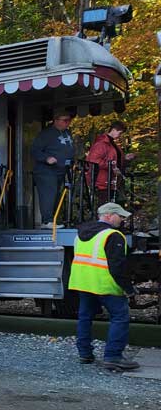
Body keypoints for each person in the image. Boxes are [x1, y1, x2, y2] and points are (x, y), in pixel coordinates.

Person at [69, 202, 140, 371]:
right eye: (119, 216)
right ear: (108, 215)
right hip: (105, 284)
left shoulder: (80, 234)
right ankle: (113, 357)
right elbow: (117, 267)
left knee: (85, 317)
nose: (122, 220)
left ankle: (85, 354)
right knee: (119, 317)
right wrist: (128, 289)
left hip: (83, 283)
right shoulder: (113, 235)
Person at [31, 111, 76, 228]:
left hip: (60, 170)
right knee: (48, 194)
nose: (67, 123)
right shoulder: (46, 134)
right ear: (56, 120)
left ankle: (53, 220)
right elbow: (34, 150)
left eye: (69, 120)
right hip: (46, 171)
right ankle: (47, 221)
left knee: (56, 195)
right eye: (64, 120)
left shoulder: (67, 132)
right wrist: (46, 158)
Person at [85, 121, 134, 204]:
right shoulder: (101, 144)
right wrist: (111, 167)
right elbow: (93, 160)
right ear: (114, 130)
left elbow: (115, 159)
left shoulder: (113, 144)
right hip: (102, 182)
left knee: (111, 207)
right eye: (120, 133)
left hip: (112, 182)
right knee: (105, 207)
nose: (120, 135)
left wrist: (125, 158)